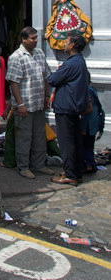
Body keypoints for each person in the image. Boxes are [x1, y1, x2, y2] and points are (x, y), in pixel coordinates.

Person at [6, 26, 54, 179]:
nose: (35, 41)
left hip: (39, 103)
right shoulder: (16, 57)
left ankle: (39, 164)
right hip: (25, 105)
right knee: (24, 137)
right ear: (24, 39)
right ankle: (23, 167)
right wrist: (20, 104)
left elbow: (46, 76)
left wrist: (47, 96)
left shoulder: (39, 54)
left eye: (36, 38)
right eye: (32, 38)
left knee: (39, 136)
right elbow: (13, 83)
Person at [49, 32, 91, 186]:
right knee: (74, 141)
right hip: (74, 106)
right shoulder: (79, 61)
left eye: (66, 41)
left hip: (66, 107)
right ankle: (75, 171)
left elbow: (52, 79)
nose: (64, 44)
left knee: (67, 143)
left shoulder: (72, 63)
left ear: (73, 45)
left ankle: (70, 174)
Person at [80, 76, 105, 174]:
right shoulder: (92, 89)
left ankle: (88, 165)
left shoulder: (86, 90)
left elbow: (88, 108)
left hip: (87, 123)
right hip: (93, 123)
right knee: (89, 145)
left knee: (85, 145)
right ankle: (91, 164)